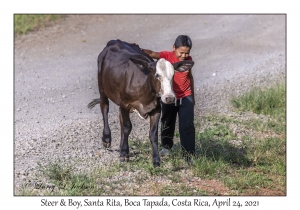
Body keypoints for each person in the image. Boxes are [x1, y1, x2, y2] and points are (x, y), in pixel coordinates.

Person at [136, 35, 195, 162]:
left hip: (185, 95)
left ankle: (189, 155)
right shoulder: (166, 57)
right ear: (174, 48)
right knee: (167, 121)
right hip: (169, 96)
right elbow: (152, 53)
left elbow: (190, 77)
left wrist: (192, 97)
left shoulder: (188, 60)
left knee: (187, 125)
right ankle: (166, 147)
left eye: (187, 53)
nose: (184, 56)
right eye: (181, 52)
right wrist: (137, 49)